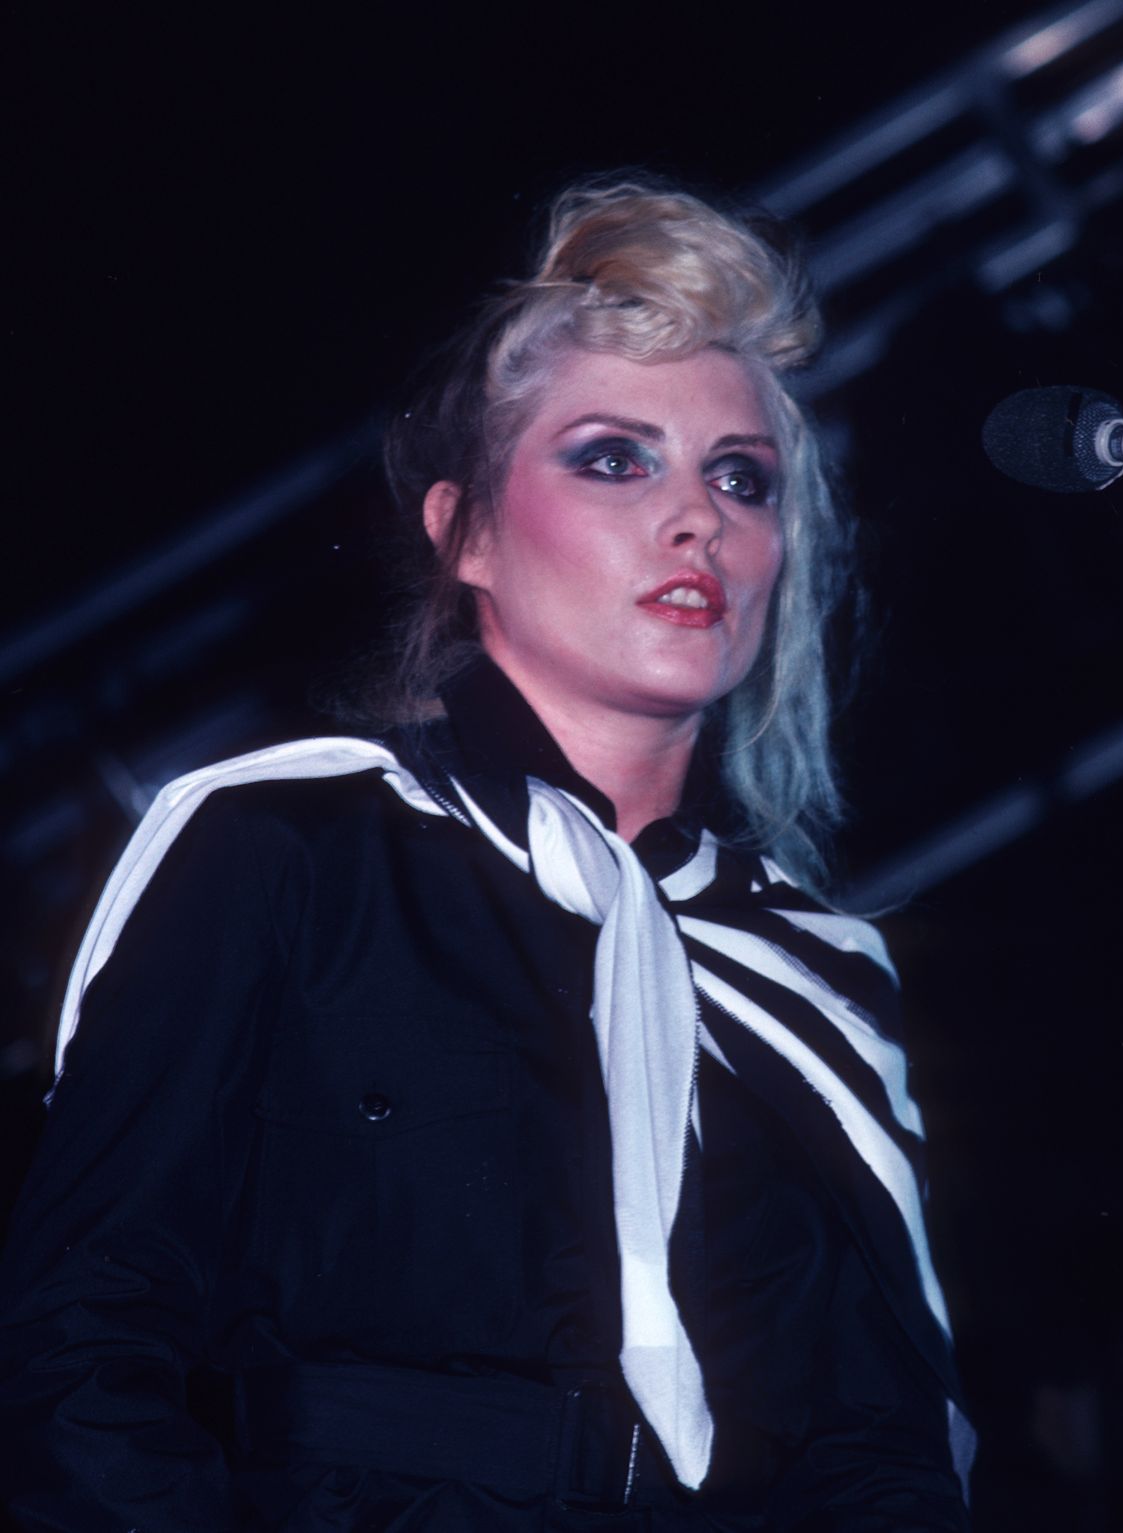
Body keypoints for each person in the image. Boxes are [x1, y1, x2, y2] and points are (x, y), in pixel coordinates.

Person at [0, 180, 974, 1530]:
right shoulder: (282, 846)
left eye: (739, 477)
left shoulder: (815, 976)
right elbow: (79, 1353)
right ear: (464, 530)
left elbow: (884, 1451)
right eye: (615, 457)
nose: (697, 519)